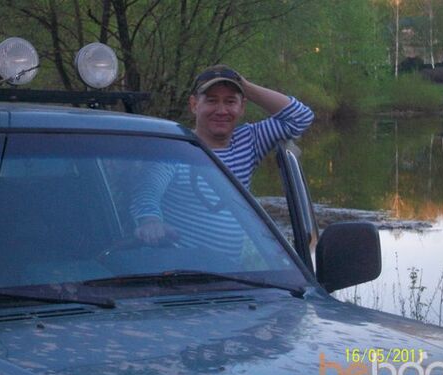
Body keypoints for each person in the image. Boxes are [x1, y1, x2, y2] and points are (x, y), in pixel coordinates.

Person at [131, 65, 314, 250]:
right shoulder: (176, 147)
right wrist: (150, 221)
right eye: (212, 101)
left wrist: (245, 86)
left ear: (242, 107)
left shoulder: (249, 141)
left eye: (230, 101)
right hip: (182, 262)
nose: (221, 110)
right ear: (194, 105)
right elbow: (147, 193)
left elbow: (301, 117)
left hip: (231, 266)